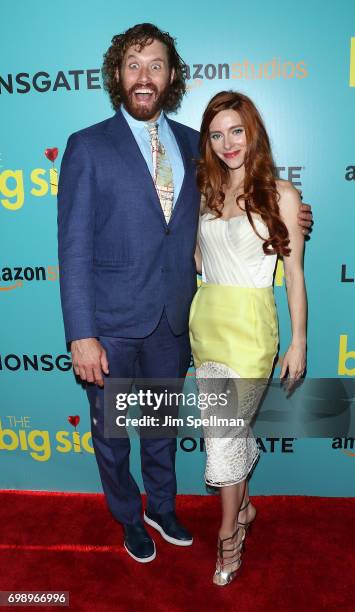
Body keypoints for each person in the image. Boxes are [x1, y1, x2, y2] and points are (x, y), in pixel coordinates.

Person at [57, 23, 312, 564]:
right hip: (111, 323)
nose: (143, 76)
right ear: (117, 75)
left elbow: (241, 202)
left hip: (177, 319)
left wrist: (294, 216)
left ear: (171, 77)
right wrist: (81, 334)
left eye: (155, 65)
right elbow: (73, 248)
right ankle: (129, 516)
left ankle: (163, 506)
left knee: (159, 430)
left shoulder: (195, 143)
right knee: (111, 435)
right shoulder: (87, 146)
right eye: (133, 64)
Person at [189, 90, 307, 585]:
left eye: (236, 130)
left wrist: (299, 340)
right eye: (216, 135)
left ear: (252, 131)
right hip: (207, 323)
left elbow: (295, 274)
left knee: (221, 437)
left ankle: (228, 533)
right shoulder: (206, 193)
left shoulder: (283, 195)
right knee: (225, 432)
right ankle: (244, 509)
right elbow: (197, 260)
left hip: (252, 328)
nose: (227, 143)